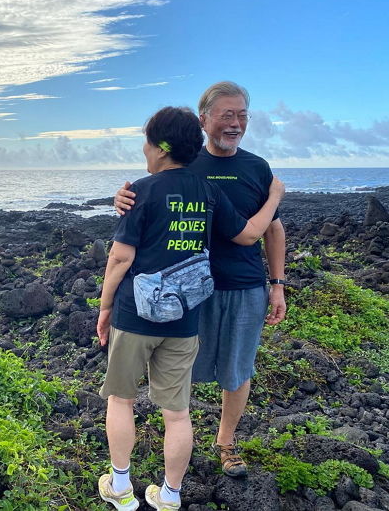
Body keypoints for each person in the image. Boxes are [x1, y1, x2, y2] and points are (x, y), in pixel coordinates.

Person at [98, 106, 285, 511]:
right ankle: (169, 496)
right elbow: (250, 233)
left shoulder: (145, 190)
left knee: (121, 400)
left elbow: (119, 259)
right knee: (177, 414)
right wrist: (275, 196)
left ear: (160, 148)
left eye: (146, 143)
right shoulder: (207, 190)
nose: (144, 150)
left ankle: (121, 488)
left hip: (136, 313)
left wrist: (105, 306)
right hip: (185, 316)